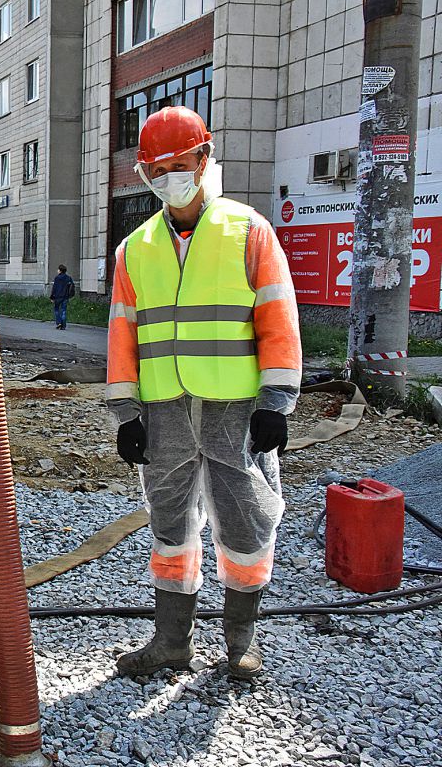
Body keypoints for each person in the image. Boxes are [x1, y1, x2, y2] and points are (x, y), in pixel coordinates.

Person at [105, 106, 301, 680]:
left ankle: (240, 643)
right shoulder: (134, 249)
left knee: (245, 522)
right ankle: (171, 642)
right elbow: (123, 334)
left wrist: (276, 404)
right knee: (170, 527)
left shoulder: (248, 231)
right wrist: (125, 413)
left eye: (179, 164)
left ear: (203, 158)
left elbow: (279, 320)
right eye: (157, 169)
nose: (170, 177)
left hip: (235, 409)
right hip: (164, 411)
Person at [49, 265, 76, 329]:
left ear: (60, 270)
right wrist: (70, 295)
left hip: (58, 297)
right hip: (65, 296)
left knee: (56, 309)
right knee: (63, 310)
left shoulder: (57, 278)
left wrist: (52, 297)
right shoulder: (68, 278)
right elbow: (72, 287)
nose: (57, 271)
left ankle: (59, 323)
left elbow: (54, 288)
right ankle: (63, 326)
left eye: (58, 269)